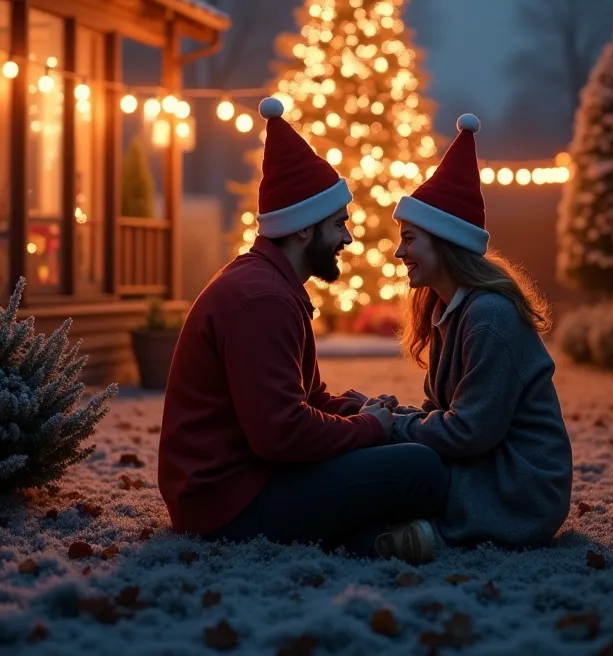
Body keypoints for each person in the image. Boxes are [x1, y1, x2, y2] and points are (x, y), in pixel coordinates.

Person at [158, 97, 450, 562]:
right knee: (422, 469)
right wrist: (367, 432)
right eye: (338, 225)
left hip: (247, 480)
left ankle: (369, 538)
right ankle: (372, 536)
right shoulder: (263, 301)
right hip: (229, 503)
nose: (348, 238)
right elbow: (283, 435)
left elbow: (303, 399)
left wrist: (359, 409)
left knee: (397, 447)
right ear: (300, 231)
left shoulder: (272, 285)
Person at [376, 113, 573, 560]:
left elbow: (469, 432)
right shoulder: (449, 309)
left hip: (518, 488)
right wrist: (385, 415)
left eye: (409, 239)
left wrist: (390, 430)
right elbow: (441, 413)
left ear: (443, 243)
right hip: (483, 464)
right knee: (389, 461)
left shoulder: (488, 318)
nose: (398, 251)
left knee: (397, 467)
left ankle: (392, 532)